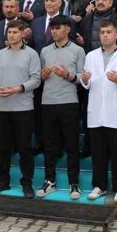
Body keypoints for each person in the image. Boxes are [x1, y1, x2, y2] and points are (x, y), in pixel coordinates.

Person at [80, 19, 117, 204]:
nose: (104, 35)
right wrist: (85, 80)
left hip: (116, 113)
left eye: (108, 31)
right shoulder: (91, 56)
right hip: (96, 112)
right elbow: (86, 85)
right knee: (98, 153)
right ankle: (100, 186)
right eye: (102, 31)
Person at [0, 20, 41, 198]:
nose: (11, 35)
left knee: (25, 147)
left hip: (23, 107)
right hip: (2, 107)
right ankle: (3, 180)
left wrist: (18, 88)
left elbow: (36, 79)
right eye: (9, 32)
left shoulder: (32, 54)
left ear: (23, 33)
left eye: (15, 32)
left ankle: (27, 183)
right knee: (2, 147)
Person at [37, 15, 86, 199]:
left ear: (68, 29)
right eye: (53, 28)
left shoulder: (78, 50)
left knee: (72, 145)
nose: (54, 31)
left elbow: (83, 77)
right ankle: (50, 181)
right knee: (50, 145)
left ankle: (74, 183)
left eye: (58, 28)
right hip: (48, 101)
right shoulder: (45, 51)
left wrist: (69, 75)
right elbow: (40, 78)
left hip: (69, 101)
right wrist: (43, 75)